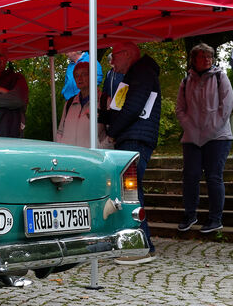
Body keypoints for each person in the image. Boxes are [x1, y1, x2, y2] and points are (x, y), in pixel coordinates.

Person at [100, 41, 161, 265]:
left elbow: (133, 108)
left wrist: (112, 131)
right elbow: (120, 108)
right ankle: (140, 243)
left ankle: (140, 247)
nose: (112, 61)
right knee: (130, 191)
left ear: (127, 54)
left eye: (114, 55)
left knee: (130, 192)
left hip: (135, 138)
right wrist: (102, 116)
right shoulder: (134, 74)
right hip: (132, 137)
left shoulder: (141, 72)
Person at [175, 43, 233, 234]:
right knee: (190, 176)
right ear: (194, 59)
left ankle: (215, 219)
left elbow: (226, 107)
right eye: (203, 56)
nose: (207, 59)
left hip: (218, 137)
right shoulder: (186, 81)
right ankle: (190, 215)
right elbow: (180, 109)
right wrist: (189, 126)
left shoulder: (220, 77)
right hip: (192, 137)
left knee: (214, 176)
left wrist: (211, 129)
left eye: (209, 56)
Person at [56, 62, 110, 148]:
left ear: (92, 76)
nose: (79, 78)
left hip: (92, 155)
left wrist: (100, 148)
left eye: (84, 74)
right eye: (76, 75)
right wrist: (61, 149)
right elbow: (60, 131)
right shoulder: (69, 103)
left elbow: (112, 133)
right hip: (68, 155)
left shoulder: (105, 101)